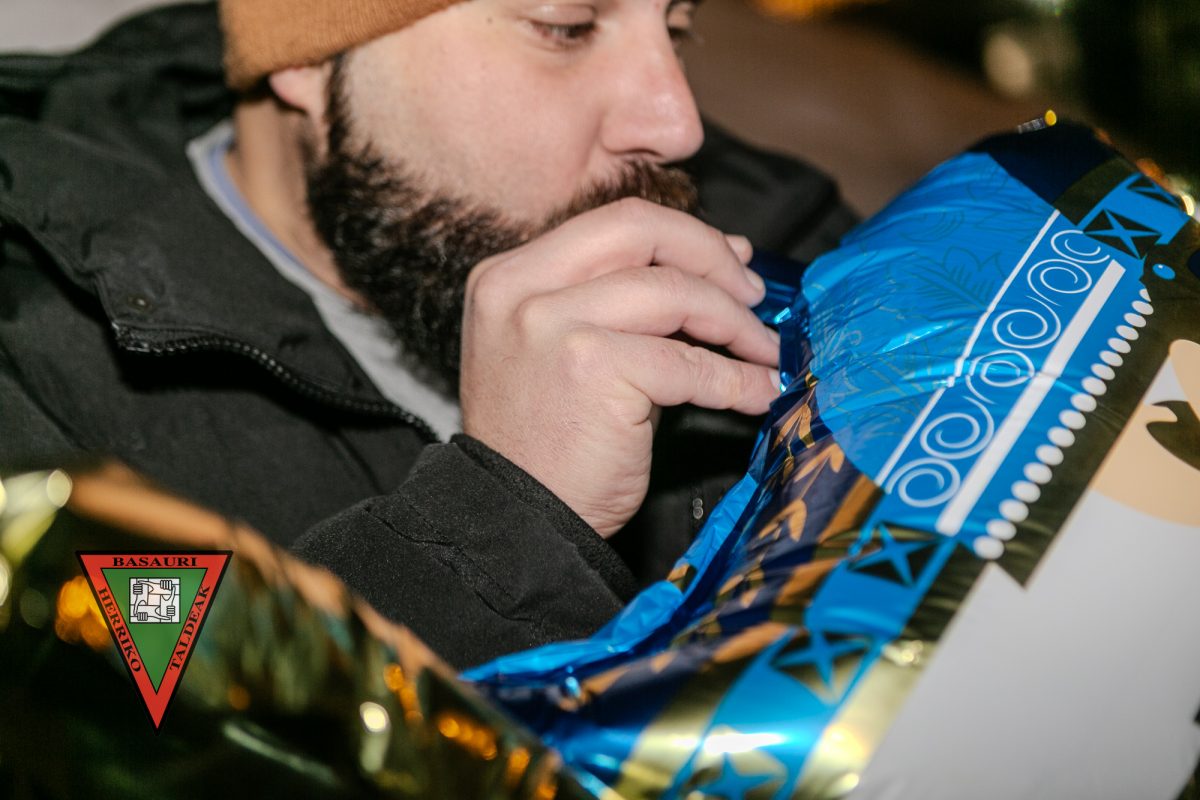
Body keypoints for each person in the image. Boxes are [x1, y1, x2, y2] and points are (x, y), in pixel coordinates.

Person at [0, 0, 854, 667]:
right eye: (565, 26)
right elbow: (159, 753)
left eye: (676, 28)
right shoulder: (35, 378)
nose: (677, 126)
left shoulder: (770, 218)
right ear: (305, 57)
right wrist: (507, 516)